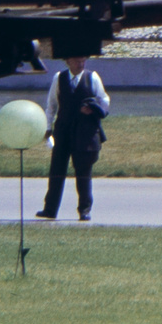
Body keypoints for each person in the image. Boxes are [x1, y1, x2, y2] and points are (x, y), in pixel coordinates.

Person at [39, 46, 109, 220]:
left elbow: (104, 99)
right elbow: (52, 106)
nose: (81, 64)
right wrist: (48, 128)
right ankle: (50, 209)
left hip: (85, 134)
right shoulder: (59, 78)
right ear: (68, 61)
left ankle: (84, 210)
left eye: (83, 60)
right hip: (63, 132)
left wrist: (95, 110)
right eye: (77, 61)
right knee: (56, 172)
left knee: (83, 174)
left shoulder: (92, 77)